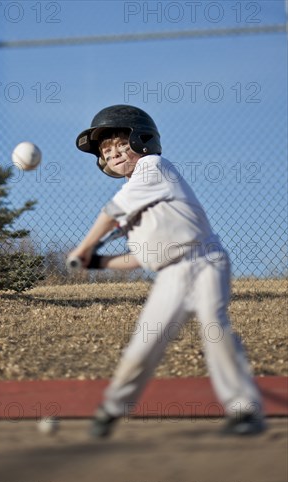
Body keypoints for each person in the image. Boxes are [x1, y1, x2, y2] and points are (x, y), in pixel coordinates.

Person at [70, 104, 266, 437]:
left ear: (142, 140)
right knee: (144, 344)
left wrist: (83, 248)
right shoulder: (134, 205)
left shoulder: (153, 166)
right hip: (171, 274)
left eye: (120, 143)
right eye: (106, 149)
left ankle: (244, 410)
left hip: (204, 260)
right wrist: (99, 263)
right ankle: (111, 409)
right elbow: (137, 259)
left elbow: (110, 212)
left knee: (214, 328)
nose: (113, 153)